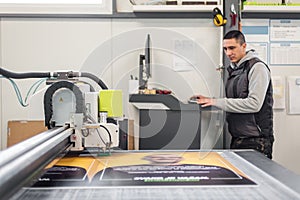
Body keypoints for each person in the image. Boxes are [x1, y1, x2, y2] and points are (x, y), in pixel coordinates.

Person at [192, 30, 274, 159]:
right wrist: (210, 100)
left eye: (232, 48)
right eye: (225, 49)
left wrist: (216, 102)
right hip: (238, 138)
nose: (228, 53)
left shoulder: (257, 68)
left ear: (244, 46)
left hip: (257, 141)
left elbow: (254, 104)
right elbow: (235, 100)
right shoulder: (235, 70)